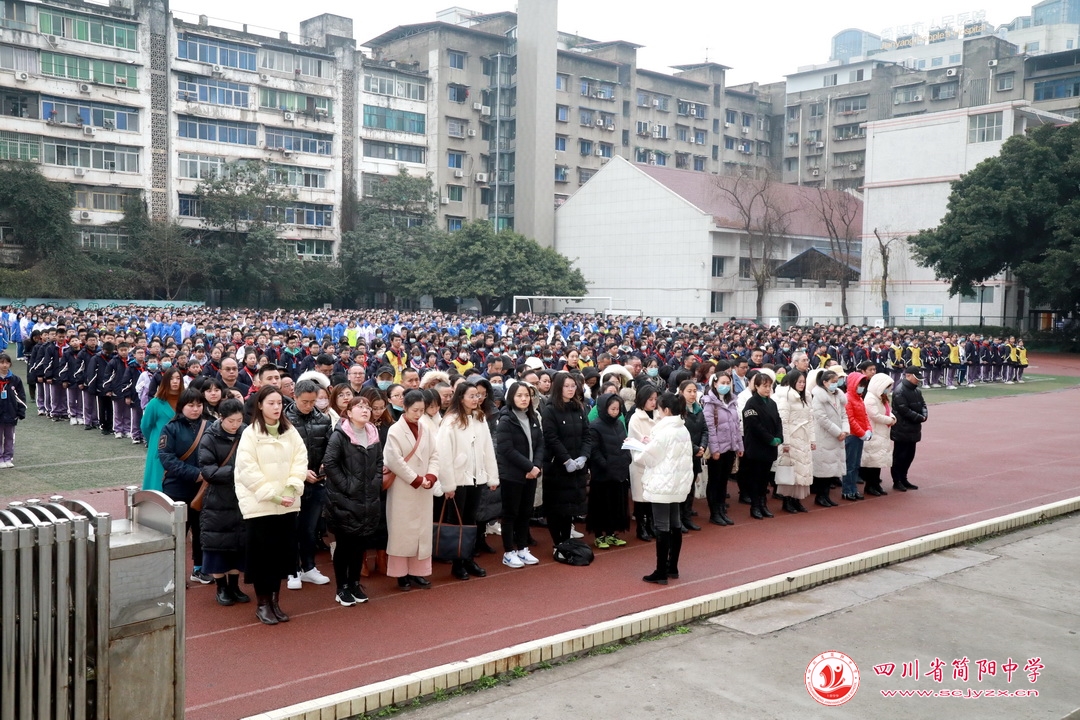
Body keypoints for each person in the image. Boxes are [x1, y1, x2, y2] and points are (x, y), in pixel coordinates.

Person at [235, 386, 308, 626]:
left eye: (279, 403)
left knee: (280, 557)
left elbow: (300, 458)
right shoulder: (250, 434)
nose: (276, 407)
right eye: (271, 403)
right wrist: (272, 495)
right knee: (262, 558)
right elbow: (247, 469)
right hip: (261, 506)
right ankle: (263, 604)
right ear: (260, 405)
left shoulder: (290, 431)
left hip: (287, 504)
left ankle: (275, 601)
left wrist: (291, 487)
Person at [322, 396, 384, 606]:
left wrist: (375, 482)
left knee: (360, 544)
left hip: (367, 500)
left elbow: (379, 462)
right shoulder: (340, 435)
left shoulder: (373, 434)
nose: (365, 410)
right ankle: (342, 588)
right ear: (349, 412)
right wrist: (348, 485)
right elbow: (330, 463)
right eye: (359, 407)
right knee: (345, 545)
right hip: (344, 500)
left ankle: (355, 583)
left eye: (367, 407)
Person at [435, 382, 499, 580]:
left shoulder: (480, 418)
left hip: (476, 477)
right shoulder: (451, 421)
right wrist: (448, 484)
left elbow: (487, 448)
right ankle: (457, 563)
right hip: (458, 479)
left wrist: (491, 476)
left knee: (472, 520)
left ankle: (468, 558)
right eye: (471, 395)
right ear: (461, 397)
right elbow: (443, 454)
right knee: (457, 522)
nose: (476, 399)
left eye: (478, 396)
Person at [383, 389, 440, 591]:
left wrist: (431, 476)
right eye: (415, 410)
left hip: (424, 486)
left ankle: (419, 572)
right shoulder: (394, 430)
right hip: (403, 487)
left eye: (421, 410)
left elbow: (434, 454)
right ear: (405, 408)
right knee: (402, 530)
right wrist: (416, 479)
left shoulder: (425, 428)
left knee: (422, 530)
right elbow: (393, 460)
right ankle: (401, 574)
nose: (418, 414)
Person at [197, 398, 250, 606]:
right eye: (231, 421)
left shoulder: (246, 433)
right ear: (221, 418)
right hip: (217, 499)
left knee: (238, 544)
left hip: (241, 498)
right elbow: (208, 471)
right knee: (218, 545)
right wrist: (237, 472)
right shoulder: (209, 438)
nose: (235, 425)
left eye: (239, 420)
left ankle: (235, 586)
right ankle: (221, 588)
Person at [283, 379, 333, 590]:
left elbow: (331, 447)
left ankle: (309, 567)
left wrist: (323, 466)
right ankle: (292, 570)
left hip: (316, 482)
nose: (309, 405)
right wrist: (301, 473)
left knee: (310, 529)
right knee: (291, 529)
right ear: (295, 397)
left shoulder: (323, 418)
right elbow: (280, 454)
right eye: (305, 401)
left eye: (313, 401)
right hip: (291, 483)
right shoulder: (283, 420)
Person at [639, 392, 694, 585]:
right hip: (677, 482)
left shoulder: (665, 430)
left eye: (659, 407)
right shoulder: (682, 429)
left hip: (662, 483)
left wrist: (640, 449)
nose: (657, 410)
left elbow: (649, 457)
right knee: (675, 523)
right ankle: (672, 567)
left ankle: (660, 571)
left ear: (667, 410)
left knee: (662, 525)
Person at [159, 388, 210, 583]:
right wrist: (195, 474)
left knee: (201, 530)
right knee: (177, 531)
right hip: (177, 488)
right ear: (182, 407)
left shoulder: (210, 425)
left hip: (204, 488)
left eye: (199, 405)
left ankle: (199, 568)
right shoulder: (170, 428)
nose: (195, 409)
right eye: (191, 405)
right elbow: (167, 458)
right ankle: (172, 573)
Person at [540, 373, 593, 546]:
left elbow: (587, 434)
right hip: (557, 467)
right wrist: (566, 460)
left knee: (571, 505)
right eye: (567, 386)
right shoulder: (550, 409)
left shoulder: (579, 407)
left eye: (573, 386)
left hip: (577, 465)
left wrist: (584, 456)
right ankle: (558, 542)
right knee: (557, 508)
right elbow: (551, 437)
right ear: (559, 387)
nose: (571, 389)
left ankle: (567, 540)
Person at [495, 381, 544, 568]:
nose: (524, 399)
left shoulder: (532, 417)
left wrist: (536, 465)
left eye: (527, 395)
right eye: (519, 395)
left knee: (525, 512)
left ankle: (522, 548)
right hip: (513, 475)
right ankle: (508, 551)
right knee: (510, 514)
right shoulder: (506, 419)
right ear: (511, 398)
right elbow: (507, 449)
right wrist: (529, 467)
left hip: (531, 474)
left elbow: (540, 443)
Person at [587, 392, 631, 549]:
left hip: (619, 472)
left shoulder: (619, 424)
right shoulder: (595, 426)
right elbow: (594, 450)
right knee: (601, 505)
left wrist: (627, 459)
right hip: (603, 475)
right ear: (604, 408)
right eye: (612, 409)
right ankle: (599, 535)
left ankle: (612, 533)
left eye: (617, 409)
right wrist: (605, 465)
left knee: (616, 504)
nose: (615, 412)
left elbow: (624, 442)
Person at [701, 371, 741, 526]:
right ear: (715, 384)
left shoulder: (732, 401)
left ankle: (721, 509)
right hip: (718, 450)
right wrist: (715, 449)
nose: (725, 386)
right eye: (722, 383)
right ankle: (714, 512)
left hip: (730, 448)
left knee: (724, 481)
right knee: (715, 481)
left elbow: (736, 426)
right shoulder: (709, 403)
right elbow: (710, 428)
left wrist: (739, 445)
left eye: (728, 383)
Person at [741, 373, 783, 520]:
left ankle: (763, 504)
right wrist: (770, 439)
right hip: (757, 446)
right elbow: (754, 426)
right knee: (755, 478)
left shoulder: (772, 403)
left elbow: (778, 421)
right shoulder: (751, 403)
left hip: (770, 447)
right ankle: (755, 506)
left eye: (769, 386)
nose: (767, 389)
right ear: (757, 386)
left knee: (765, 478)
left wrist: (779, 437)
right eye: (764, 386)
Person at [773, 370, 815, 513]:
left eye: (804, 382)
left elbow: (810, 420)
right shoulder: (785, 398)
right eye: (799, 382)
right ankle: (787, 500)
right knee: (791, 470)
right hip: (791, 438)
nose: (802, 385)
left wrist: (812, 439)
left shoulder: (805, 398)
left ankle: (797, 500)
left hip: (804, 438)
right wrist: (786, 443)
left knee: (802, 470)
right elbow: (783, 421)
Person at [140, 367, 184, 491]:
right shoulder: (155, 403)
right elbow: (145, 426)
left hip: (182, 446)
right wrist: (155, 441)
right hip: (160, 447)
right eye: (171, 379)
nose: (175, 381)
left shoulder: (186, 401)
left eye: (178, 378)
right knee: (157, 481)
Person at [810, 370, 849, 508]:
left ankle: (825, 496)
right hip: (825, 437)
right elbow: (822, 419)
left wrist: (845, 430)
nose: (835, 384)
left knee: (831, 468)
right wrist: (838, 432)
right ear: (825, 382)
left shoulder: (838, 395)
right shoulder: (818, 397)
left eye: (836, 382)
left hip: (837, 437)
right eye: (833, 382)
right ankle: (820, 496)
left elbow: (844, 414)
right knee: (823, 469)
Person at [627, 386, 659, 541]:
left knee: (653, 496)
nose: (653, 403)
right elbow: (637, 440)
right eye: (650, 399)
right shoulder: (636, 418)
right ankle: (641, 527)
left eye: (655, 399)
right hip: (641, 463)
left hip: (656, 463)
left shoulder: (659, 415)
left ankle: (651, 525)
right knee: (641, 498)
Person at [677, 379, 708, 532]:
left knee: (690, 487)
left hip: (696, 454)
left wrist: (702, 446)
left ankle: (687, 517)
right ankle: (679, 519)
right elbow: (680, 435)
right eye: (689, 391)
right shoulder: (677, 411)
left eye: (694, 391)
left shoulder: (698, 409)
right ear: (681, 392)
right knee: (681, 487)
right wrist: (695, 448)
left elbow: (705, 429)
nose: (692, 394)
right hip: (683, 455)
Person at [890, 367, 927, 492]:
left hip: (913, 428)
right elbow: (903, 409)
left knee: (909, 456)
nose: (918, 381)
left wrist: (924, 415)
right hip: (902, 428)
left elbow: (923, 404)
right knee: (899, 456)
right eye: (916, 378)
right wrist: (919, 417)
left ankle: (904, 478)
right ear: (908, 376)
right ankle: (897, 480)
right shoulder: (900, 390)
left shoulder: (917, 391)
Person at [859, 373, 895, 497]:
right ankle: (870, 485)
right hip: (874, 433)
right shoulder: (870, 398)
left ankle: (875, 484)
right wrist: (889, 420)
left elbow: (888, 411)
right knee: (872, 461)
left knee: (878, 461)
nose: (888, 389)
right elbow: (874, 415)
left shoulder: (881, 397)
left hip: (882, 433)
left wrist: (892, 417)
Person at [842, 371, 872, 502]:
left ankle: (853, 488)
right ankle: (847, 490)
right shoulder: (847, 398)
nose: (862, 387)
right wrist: (862, 433)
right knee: (850, 465)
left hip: (859, 436)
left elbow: (865, 416)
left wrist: (868, 429)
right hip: (852, 436)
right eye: (860, 384)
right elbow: (850, 419)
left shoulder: (859, 398)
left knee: (855, 464)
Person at [0, 353, 27, 468]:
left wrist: (20, 411)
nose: (4, 365)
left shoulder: (15, 380)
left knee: (10, 437)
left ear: (10, 364)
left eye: (7, 362)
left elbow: (21, 396)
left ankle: (8, 457)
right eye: (1, 362)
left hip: (11, 413)